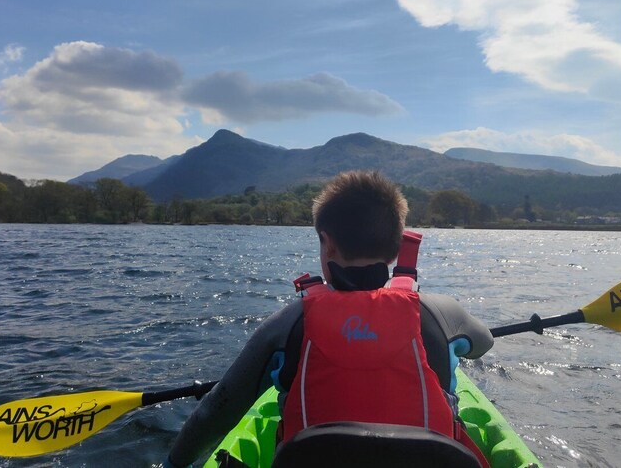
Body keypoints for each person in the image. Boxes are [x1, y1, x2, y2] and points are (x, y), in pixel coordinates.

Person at [166, 171, 493, 467]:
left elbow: (214, 412)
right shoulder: (441, 312)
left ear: (327, 243)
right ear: (397, 250)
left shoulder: (290, 322)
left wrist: (172, 465)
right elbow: (483, 343)